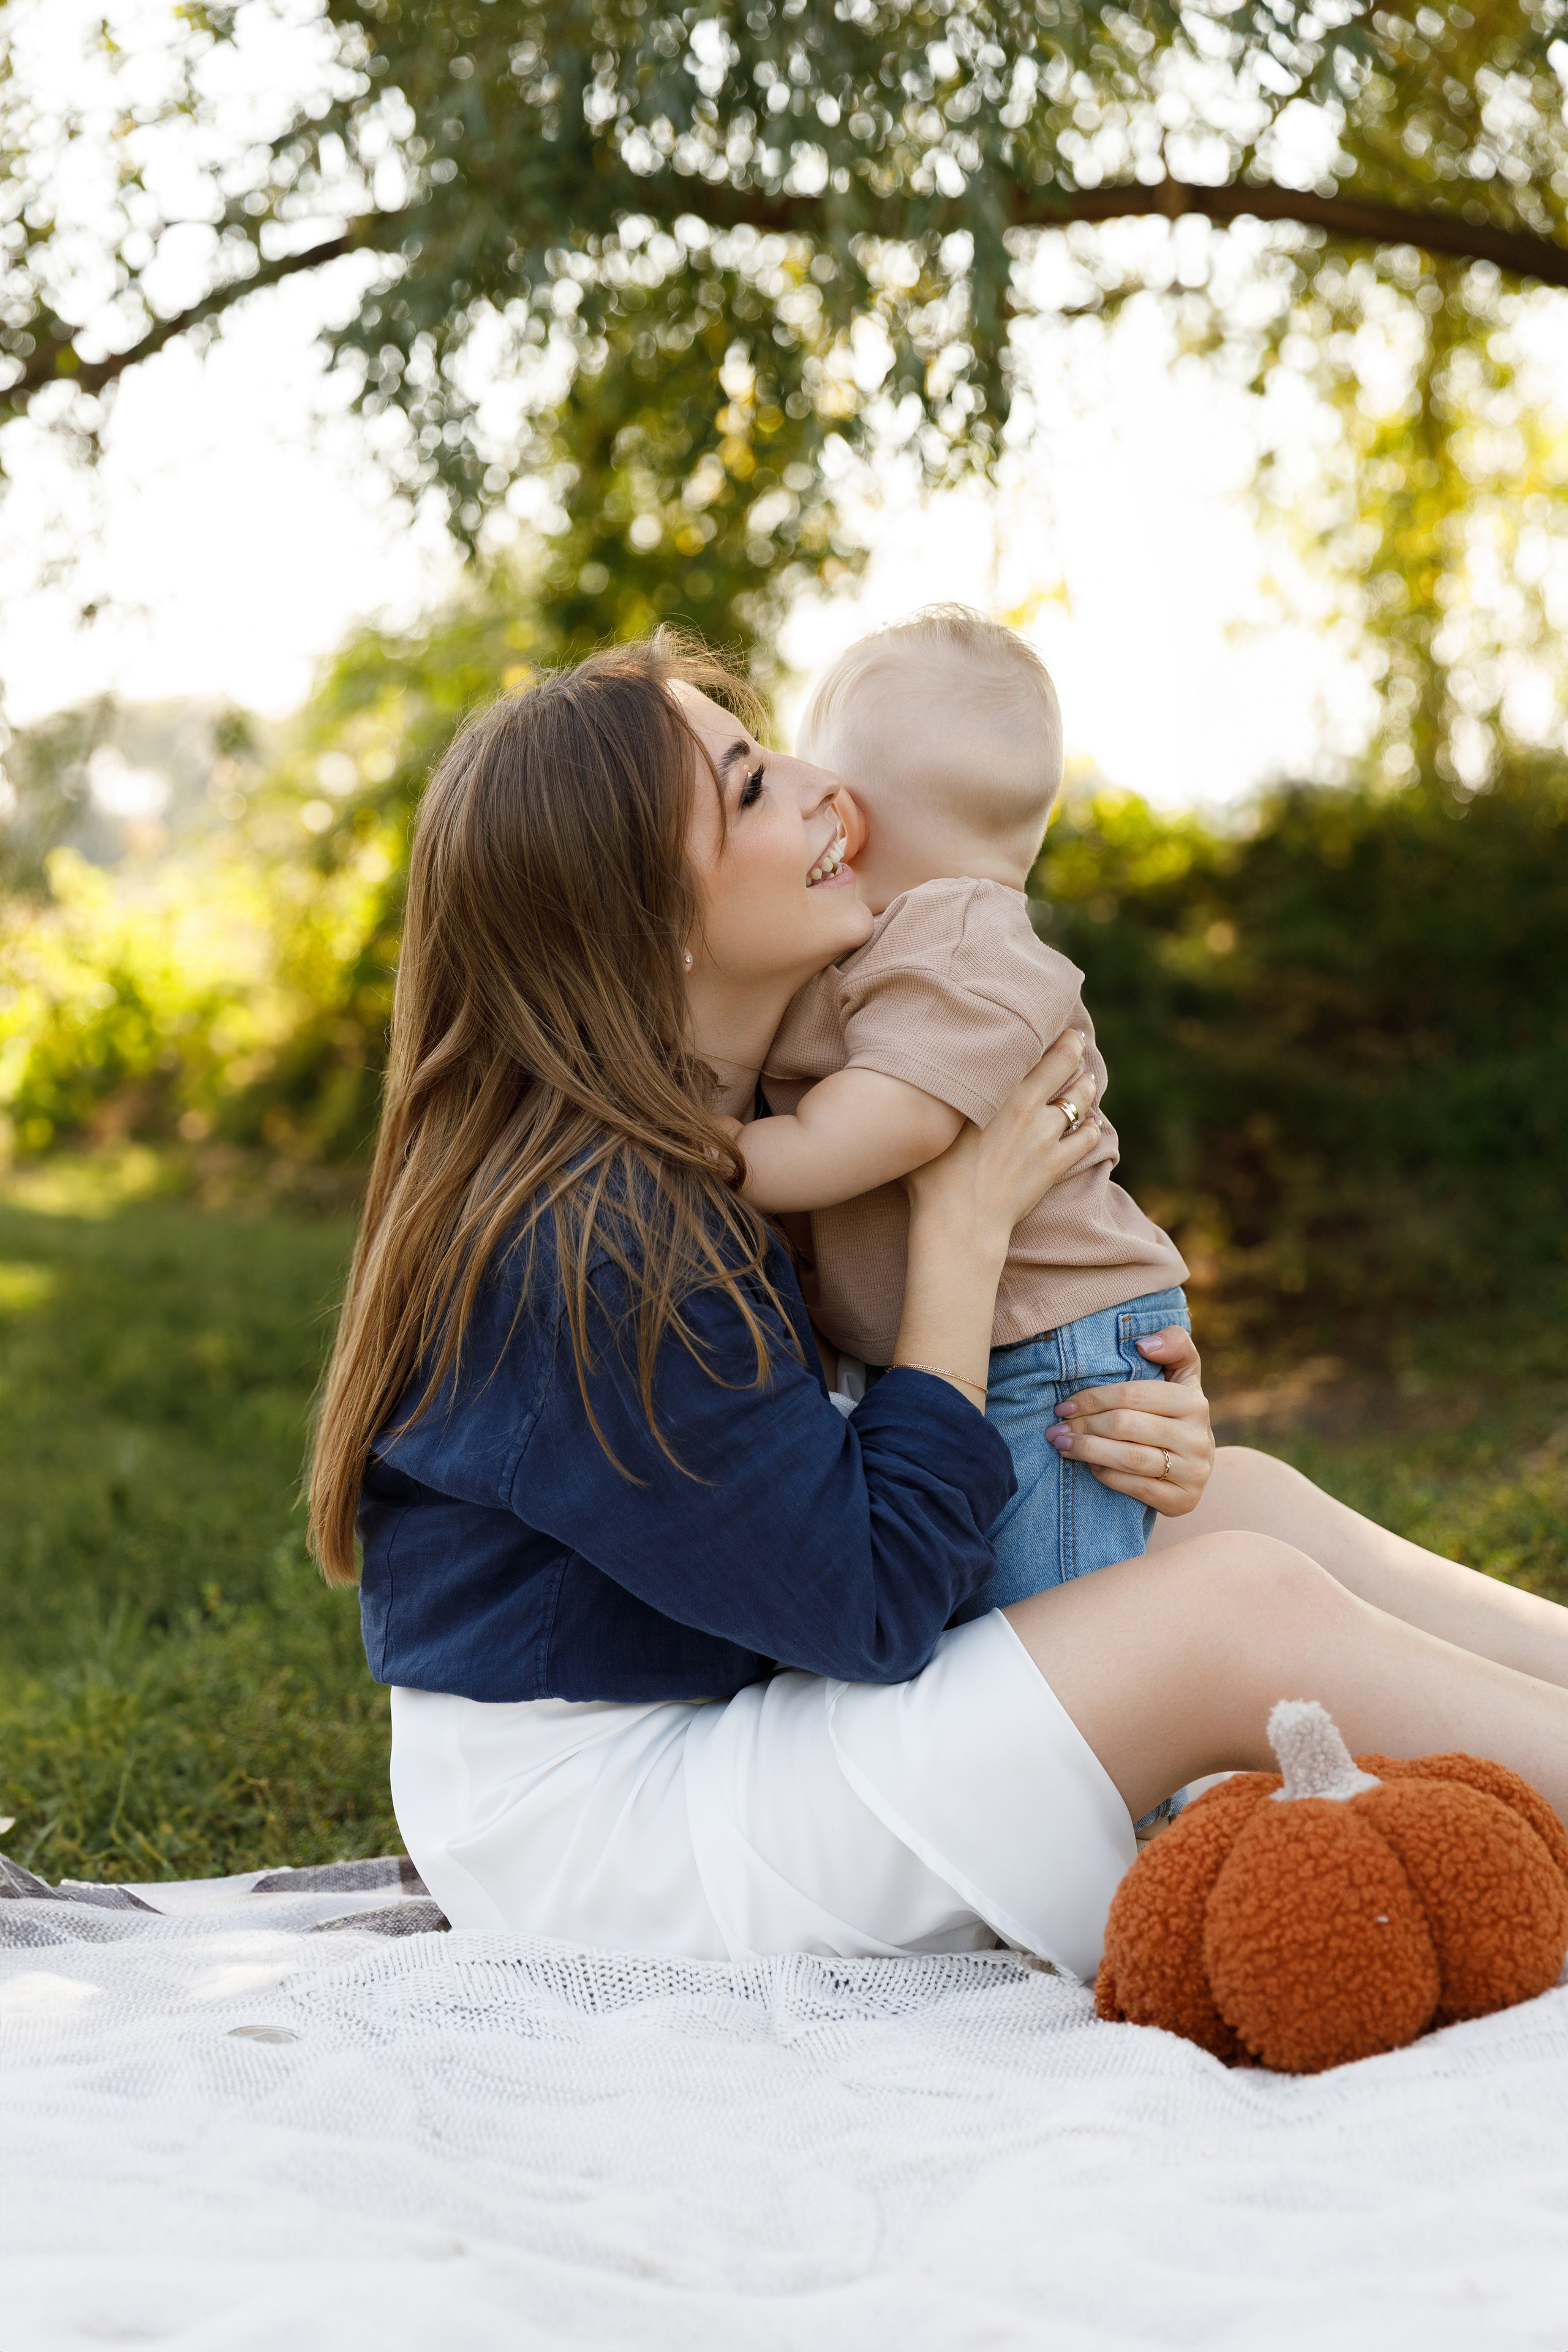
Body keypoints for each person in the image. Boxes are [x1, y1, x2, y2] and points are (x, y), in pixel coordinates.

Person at [307, 634, 1568, 1983]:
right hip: (615, 1835)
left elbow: (814, 1472)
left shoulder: (746, 1137)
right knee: (1234, 1613)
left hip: (739, 1697)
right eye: (746, 788)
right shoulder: (596, 1242)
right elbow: (871, 1605)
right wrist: (959, 1236)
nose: (819, 788)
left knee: (1228, 1504)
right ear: (645, 921)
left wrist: (1102, 1393)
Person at [737, 605, 1189, 1620]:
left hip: (1050, 1354)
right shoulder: (885, 951)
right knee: (1005, 1614)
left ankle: (1144, 1782)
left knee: (1059, 1618)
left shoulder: (954, 934)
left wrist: (722, 1155)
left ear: (849, 818)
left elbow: (892, 1122)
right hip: (1005, 1340)